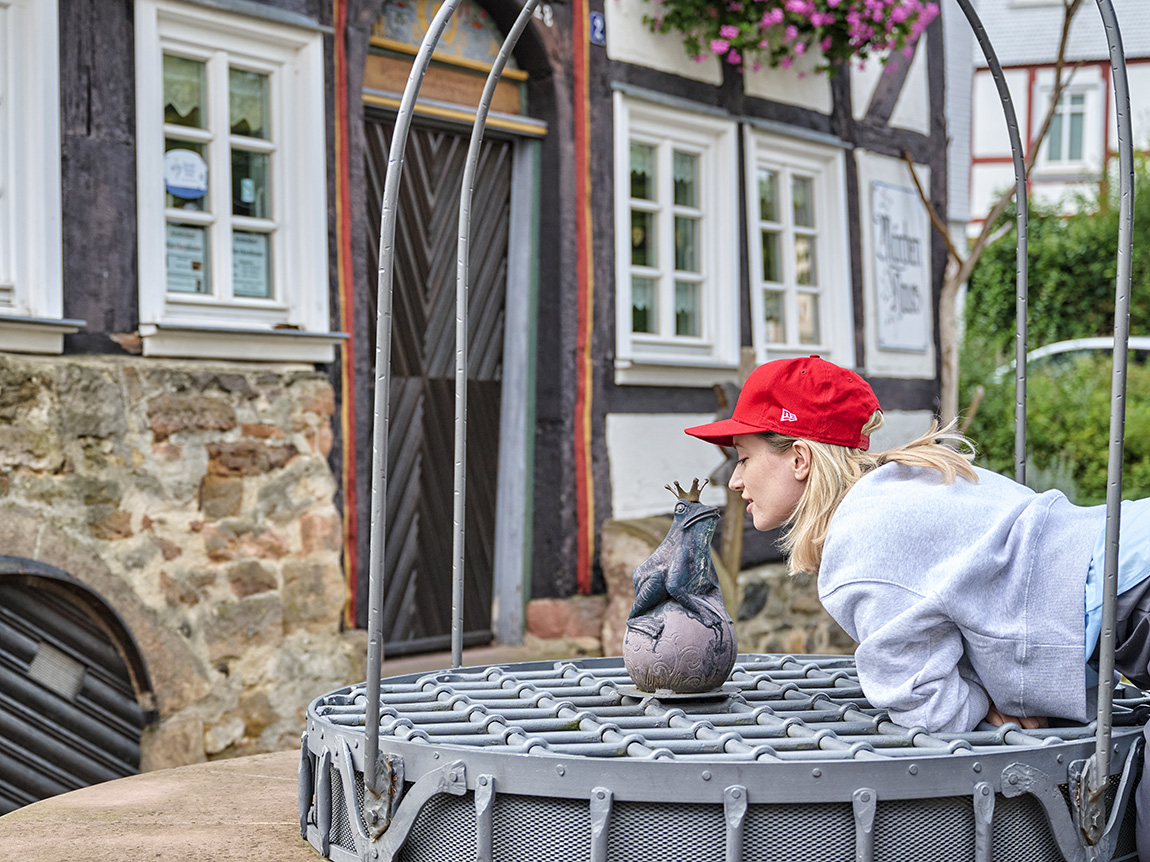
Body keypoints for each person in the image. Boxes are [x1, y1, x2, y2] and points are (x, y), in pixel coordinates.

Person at [683, 354, 1150, 736]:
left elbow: (927, 706)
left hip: (1133, 595)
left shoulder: (860, 544)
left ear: (800, 459)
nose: (737, 480)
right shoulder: (907, 483)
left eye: (743, 459)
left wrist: (983, 705)